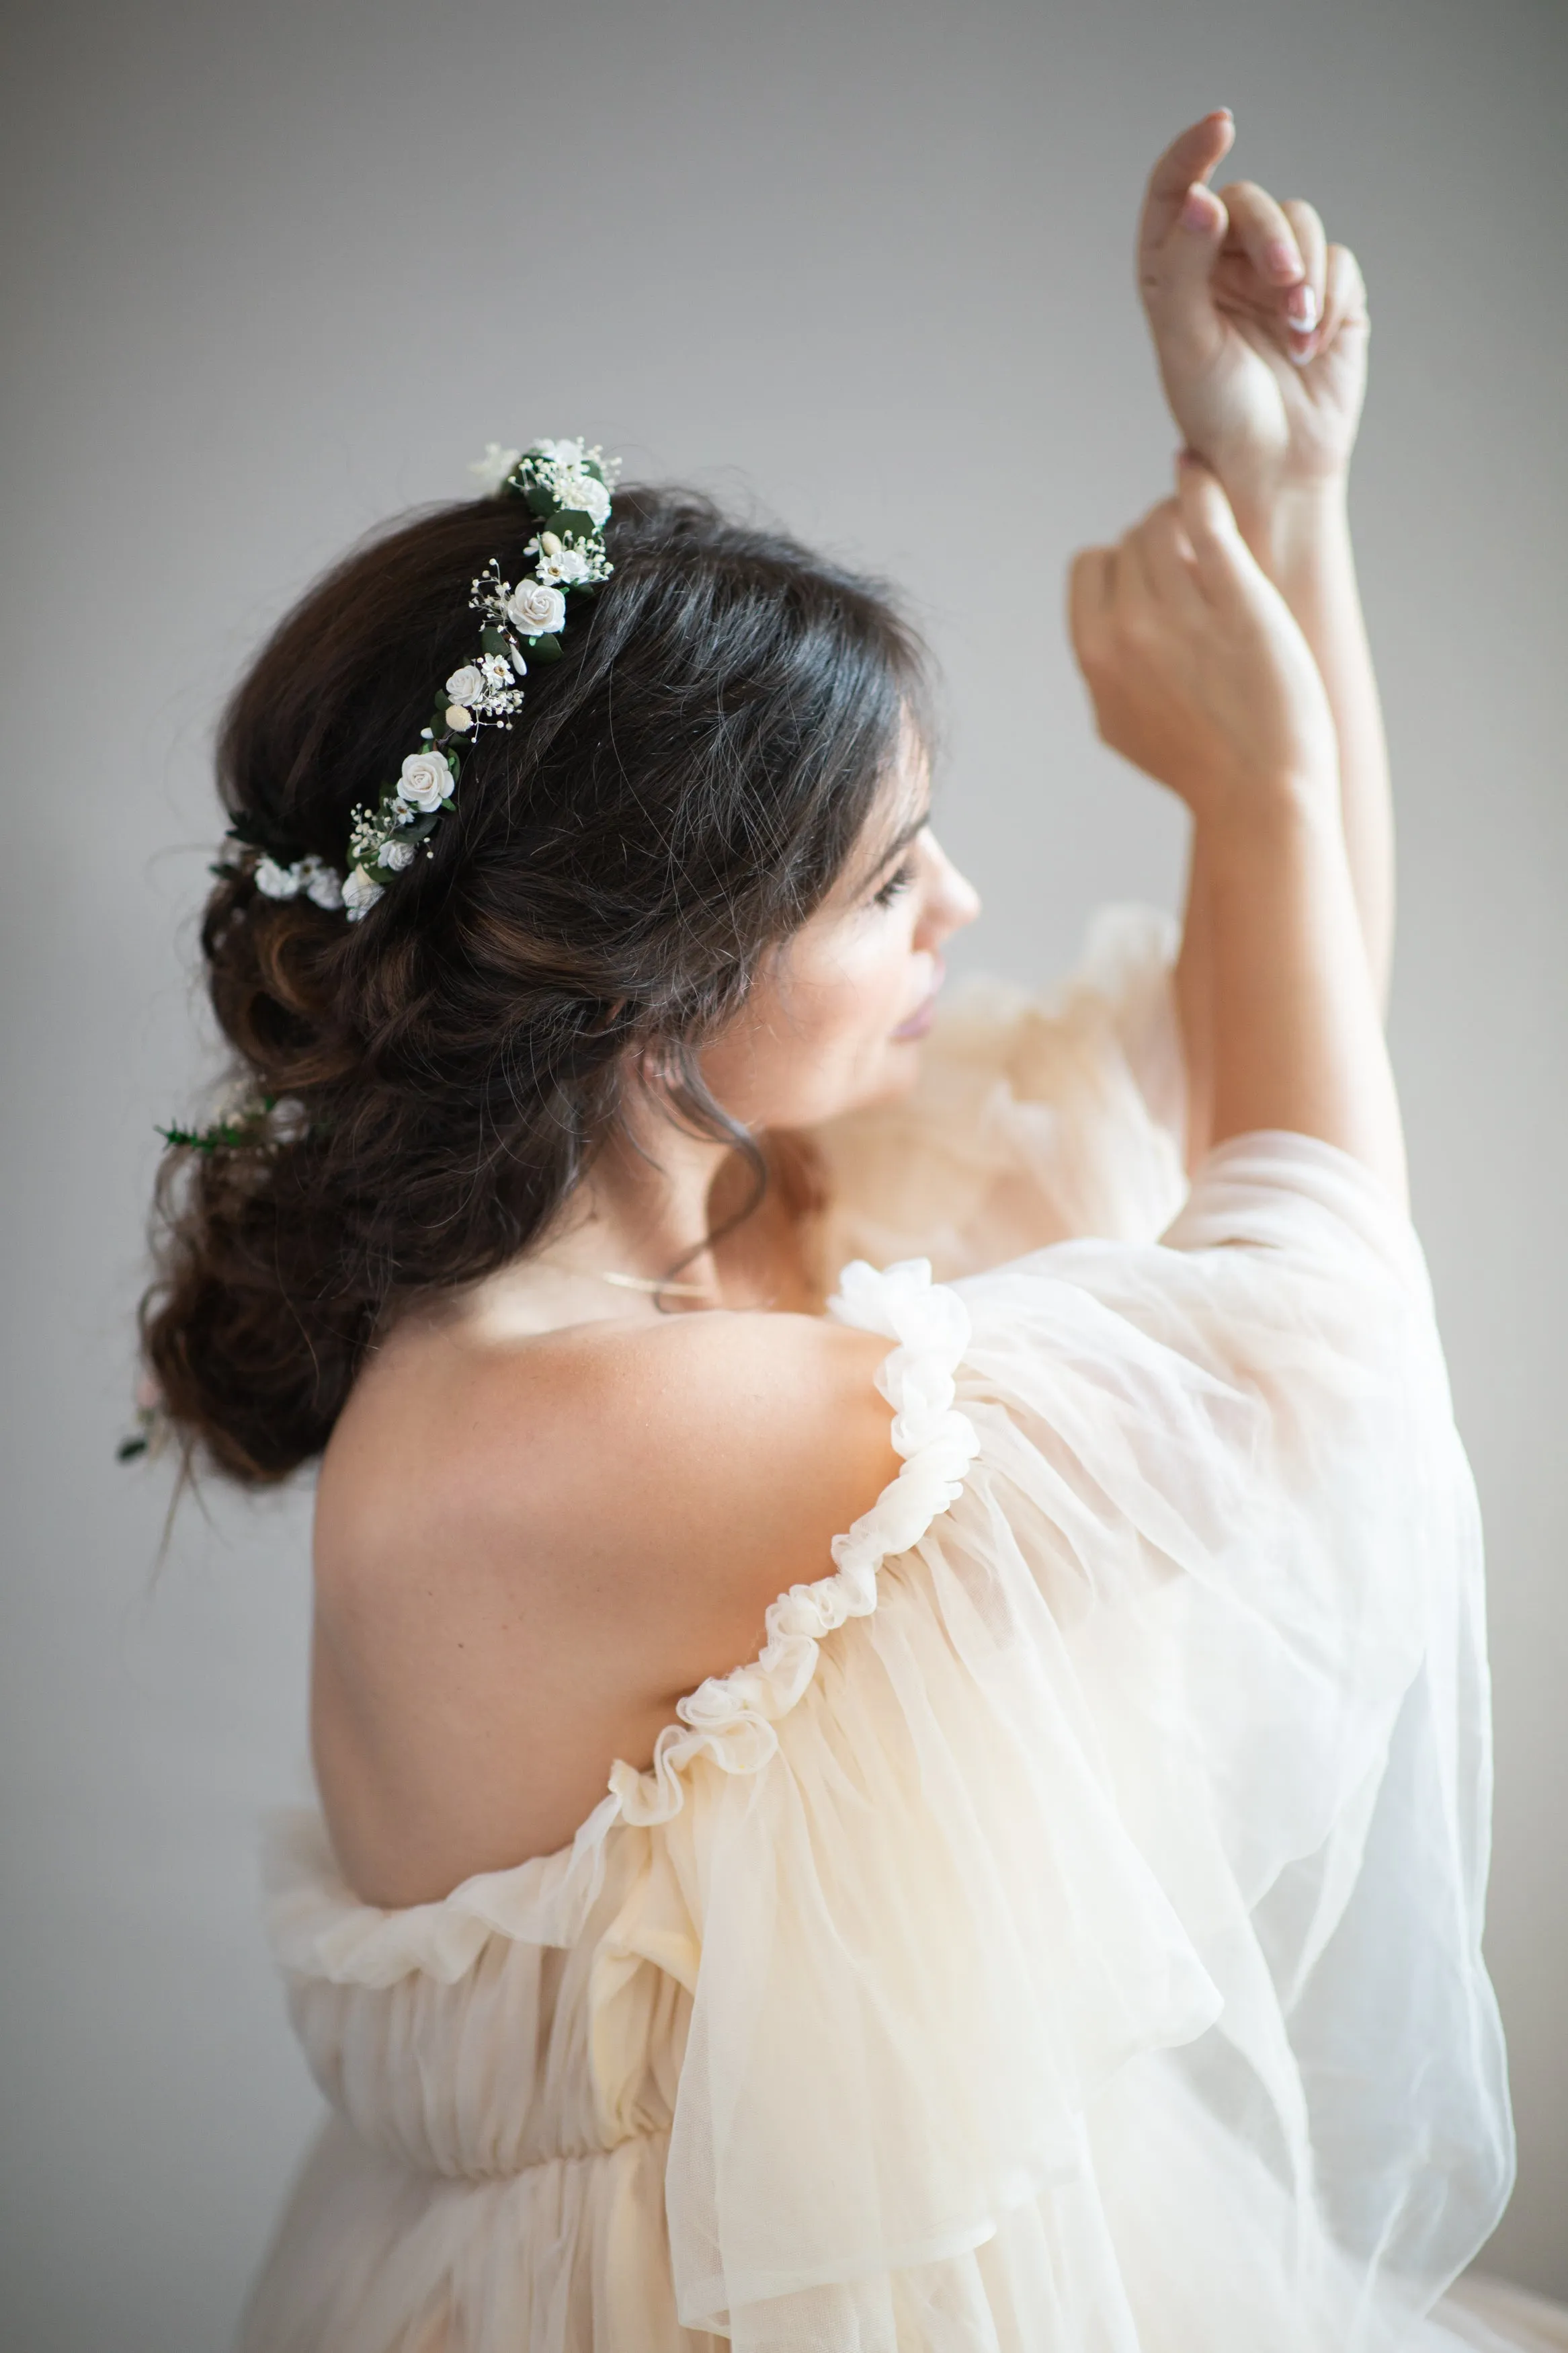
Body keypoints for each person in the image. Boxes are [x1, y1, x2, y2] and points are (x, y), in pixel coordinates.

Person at [138, 111, 1559, 2353]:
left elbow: (1261, 1060)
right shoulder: (550, 1428)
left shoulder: (731, 1223)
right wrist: (1254, 776)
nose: (959, 914)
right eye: (891, 877)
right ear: (665, 983)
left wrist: (1290, 494)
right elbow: (1313, 1368)